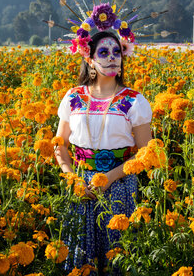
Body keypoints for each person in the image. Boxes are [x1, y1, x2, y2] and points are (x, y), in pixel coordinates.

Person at [54, 29, 152, 275]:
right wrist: (71, 178)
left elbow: (145, 153)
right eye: (104, 52)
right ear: (89, 59)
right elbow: (60, 145)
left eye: (117, 52)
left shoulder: (134, 101)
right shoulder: (73, 97)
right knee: (81, 256)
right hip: (81, 187)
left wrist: (110, 178)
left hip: (119, 184)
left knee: (117, 257)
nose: (112, 58)